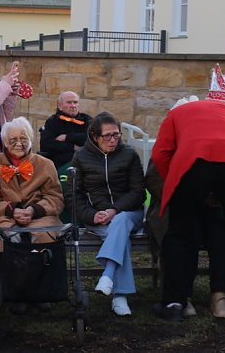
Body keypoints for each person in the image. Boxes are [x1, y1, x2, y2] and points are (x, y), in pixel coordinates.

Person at [151, 65, 225, 322]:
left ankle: (175, 303)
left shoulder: (179, 113)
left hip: (193, 167)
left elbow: (160, 154)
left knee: (181, 235)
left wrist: (178, 181)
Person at [72, 111, 145, 317]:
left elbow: (138, 192)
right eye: (107, 136)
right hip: (98, 217)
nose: (113, 140)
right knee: (120, 236)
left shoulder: (129, 154)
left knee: (120, 221)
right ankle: (119, 296)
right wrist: (91, 215)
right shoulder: (81, 157)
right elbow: (73, 195)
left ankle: (109, 273)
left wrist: (115, 210)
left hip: (129, 213)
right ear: (95, 136)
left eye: (116, 135)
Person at [0, 116, 64, 242]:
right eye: (13, 140)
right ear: (5, 142)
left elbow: (55, 198)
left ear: (31, 140)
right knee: (7, 237)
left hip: (41, 217)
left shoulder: (46, 164)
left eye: (24, 139)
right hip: (5, 217)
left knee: (42, 235)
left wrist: (34, 210)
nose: (19, 144)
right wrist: (11, 210)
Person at [40, 91, 92, 173]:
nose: (73, 105)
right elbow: (46, 145)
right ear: (59, 105)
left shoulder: (87, 120)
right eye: (69, 102)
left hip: (85, 164)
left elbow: (92, 138)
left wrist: (67, 137)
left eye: (75, 102)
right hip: (59, 166)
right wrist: (73, 147)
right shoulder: (53, 121)